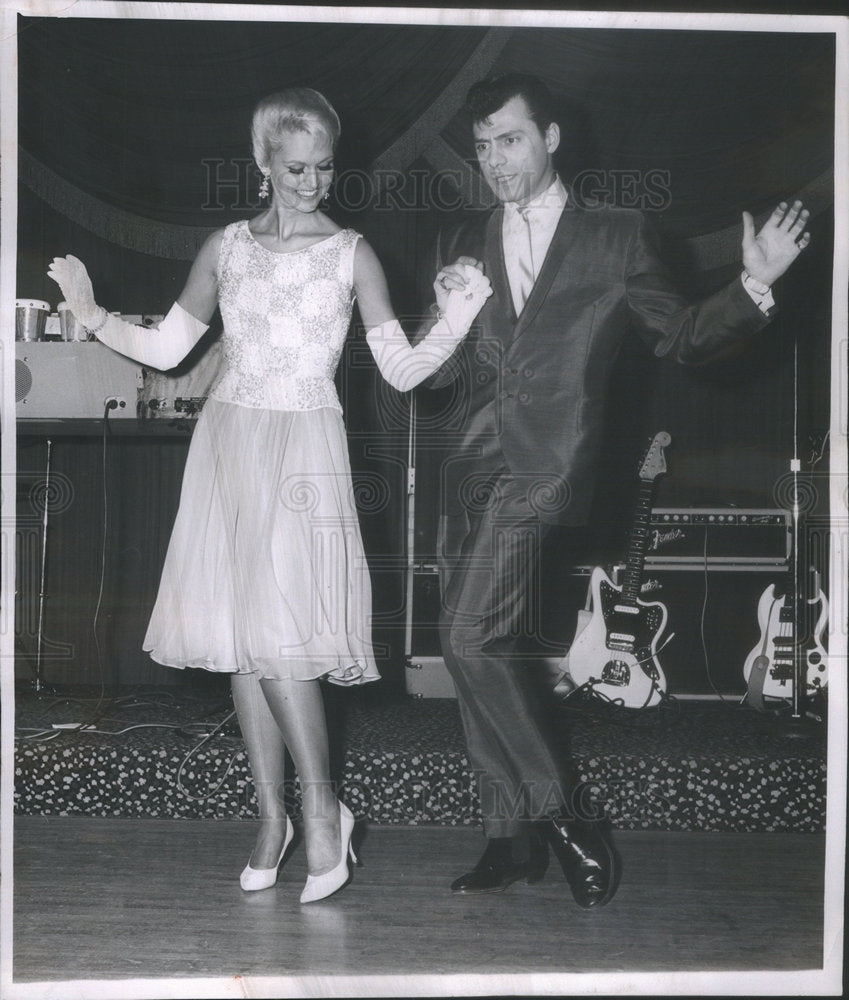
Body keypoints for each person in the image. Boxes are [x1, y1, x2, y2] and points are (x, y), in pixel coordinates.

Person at [48, 87, 491, 904]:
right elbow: (169, 347)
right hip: (227, 444)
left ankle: (325, 813)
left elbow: (400, 371)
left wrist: (455, 321)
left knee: (284, 642)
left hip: (303, 447)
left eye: (323, 167)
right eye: (294, 168)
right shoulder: (225, 248)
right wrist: (91, 313)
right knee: (241, 643)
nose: (311, 182)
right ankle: (270, 819)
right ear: (260, 162)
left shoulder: (352, 253)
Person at [422, 73, 810, 907]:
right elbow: (443, 366)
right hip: (469, 465)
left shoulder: (616, 235)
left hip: (548, 465)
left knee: (467, 638)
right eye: (483, 145)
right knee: (477, 652)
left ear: (552, 138)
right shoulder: (462, 231)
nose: (495, 160)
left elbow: (680, 338)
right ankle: (507, 837)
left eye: (511, 139)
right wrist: (441, 320)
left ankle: (566, 818)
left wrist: (750, 286)